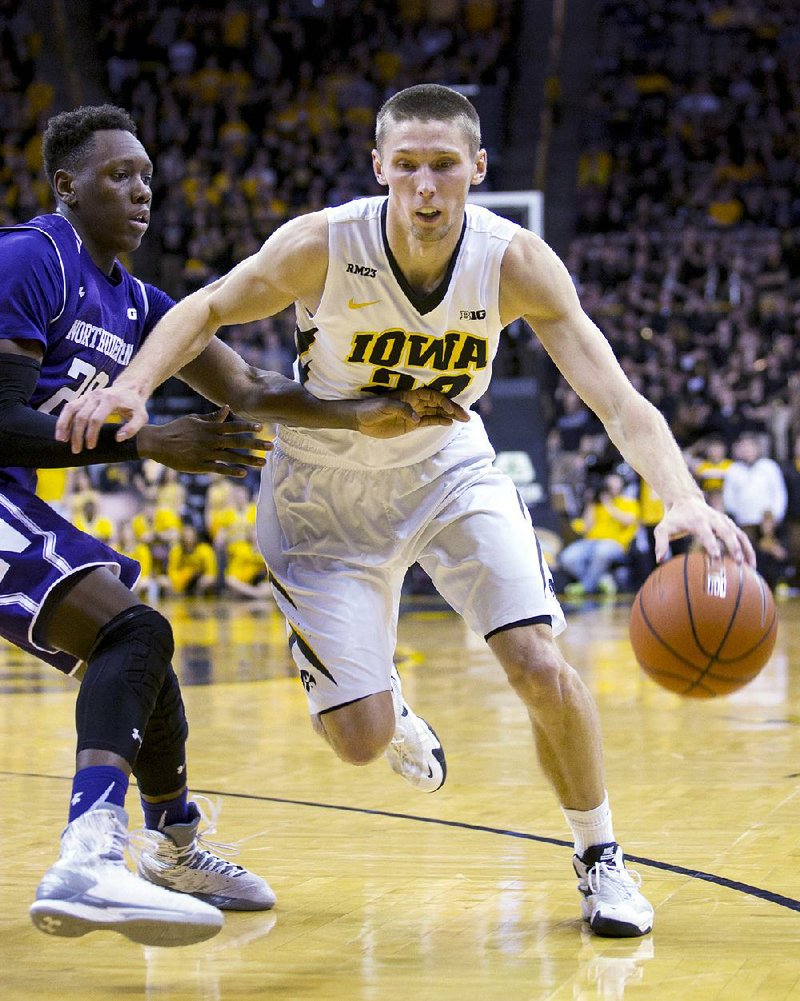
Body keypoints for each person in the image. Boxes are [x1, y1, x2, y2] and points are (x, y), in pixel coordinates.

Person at [58, 85, 754, 939]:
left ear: (478, 170)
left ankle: (600, 856)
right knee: (357, 740)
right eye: (411, 166)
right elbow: (203, 309)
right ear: (381, 166)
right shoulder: (322, 243)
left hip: (447, 469)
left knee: (538, 661)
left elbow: (618, 397)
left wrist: (681, 496)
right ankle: (384, 698)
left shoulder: (514, 261)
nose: (427, 186)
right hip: (320, 492)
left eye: (446, 167)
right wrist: (134, 387)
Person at [3, 103, 464, 946]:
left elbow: (248, 388)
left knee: (141, 657)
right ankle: (90, 854)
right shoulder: (32, 258)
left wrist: (367, 412)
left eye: (145, 172)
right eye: (117, 175)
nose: (141, 188)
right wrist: (146, 440)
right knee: (133, 634)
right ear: (66, 186)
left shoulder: (137, 300)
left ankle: (173, 845)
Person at [558, 472, 640, 596]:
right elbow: (586, 527)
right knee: (568, 557)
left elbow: (628, 520)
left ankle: (586, 588)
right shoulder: (595, 504)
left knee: (601, 551)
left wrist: (608, 504)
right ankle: (602, 580)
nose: (611, 488)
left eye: (615, 484)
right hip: (591, 542)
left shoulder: (627, 502)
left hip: (616, 543)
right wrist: (590, 503)